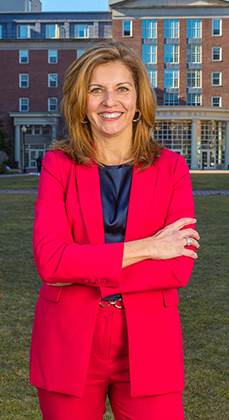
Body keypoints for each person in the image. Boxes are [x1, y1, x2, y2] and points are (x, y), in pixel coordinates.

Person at [31, 42, 199, 420]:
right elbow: (50, 262)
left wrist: (81, 268)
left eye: (122, 88)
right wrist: (150, 247)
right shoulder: (57, 165)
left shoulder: (171, 168)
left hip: (150, 340)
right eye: (96, 90)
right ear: (81, 103)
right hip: (69, 340)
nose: (110, 101)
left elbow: (177, 268)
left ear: (138, 100)